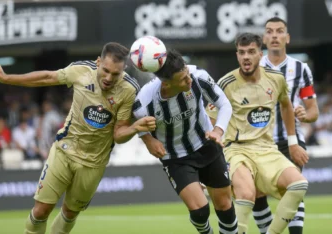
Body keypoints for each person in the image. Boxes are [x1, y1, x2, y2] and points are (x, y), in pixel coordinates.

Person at [0, 42, 156, 234]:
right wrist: (7, 78)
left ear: (123, 70)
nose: (108, 78)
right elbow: (47, 77)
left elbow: (119, 134)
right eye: (105, 70)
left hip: (94, 163)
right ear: (98, 62)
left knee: (69, 214)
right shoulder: (80, 71)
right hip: (65, 150)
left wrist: (134, 128)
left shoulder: (129, 90)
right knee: (41, 211)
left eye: (115, 74)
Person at [206, 33, 309, 234]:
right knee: (246, 194)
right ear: (237, 55)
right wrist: (207, 164)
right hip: (236, 149)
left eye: (251, 52)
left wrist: (293, 142)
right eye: (242, 52)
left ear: (260, 54)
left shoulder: (276, 79)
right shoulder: (225, 83)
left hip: (266, 149)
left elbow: (286, 106)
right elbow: (210, 124)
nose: (246, 57)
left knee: (299, 185)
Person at [133, 49, 238, 234]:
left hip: (206, 145)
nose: (189, 80)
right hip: (175, 158)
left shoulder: (198, 76)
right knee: (200, 211)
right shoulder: (145, 102)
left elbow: (224, 104)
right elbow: (134, 123)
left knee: (224, 206)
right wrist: (148, 140)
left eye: (187, 74)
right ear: (166, 84)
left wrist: (218, 130)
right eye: (183, 79)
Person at [251, 17, 319, 234]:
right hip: (259, 141)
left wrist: (305, 116)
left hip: (292, 140)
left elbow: (313, 110)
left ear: (287, 38)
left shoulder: (301, 69)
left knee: (294, 187)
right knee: (258, 194)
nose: (274, 36)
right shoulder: (252, 68)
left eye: (279, 31)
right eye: (269, 31)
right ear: (264, 38)